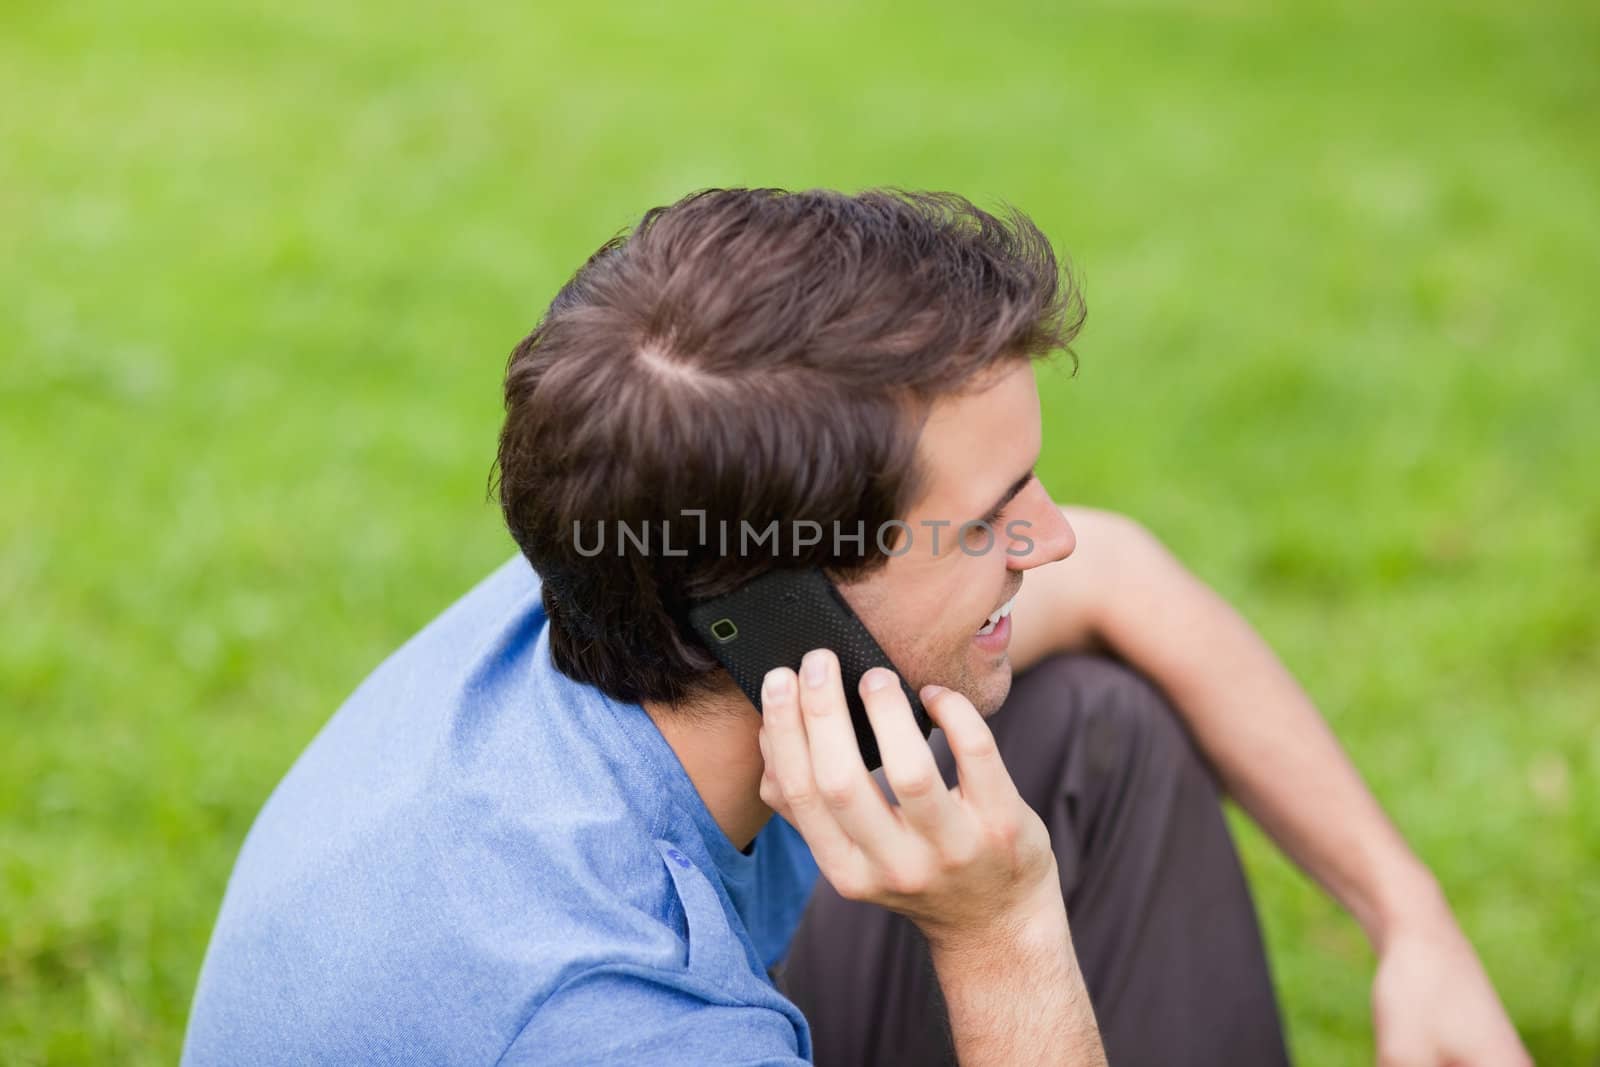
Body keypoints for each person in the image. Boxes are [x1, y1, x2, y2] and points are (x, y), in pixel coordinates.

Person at [183, 188, 1528, 1066]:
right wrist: (999, 935)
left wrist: (1413, 927)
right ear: (781, 607)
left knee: (1087, 731)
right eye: (994, 515)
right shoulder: (604, 1013)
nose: (1049, 537)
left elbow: (1118, 577)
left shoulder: (648, 557)